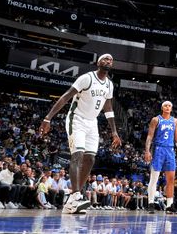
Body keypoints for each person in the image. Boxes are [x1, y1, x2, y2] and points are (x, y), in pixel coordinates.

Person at [39, 53, 122, 214]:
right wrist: (48, 118)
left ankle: (72, 200)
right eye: (105, 59)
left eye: (111, 60)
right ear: (98, 63)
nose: (109, 61)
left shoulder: (109, 85)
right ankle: (76, 195)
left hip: (92, 123)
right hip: (76, 119)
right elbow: (65, 97)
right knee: (77, 155)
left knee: (90, 159)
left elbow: (109, 108)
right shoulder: (87, 78)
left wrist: (114, 132)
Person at [145, 100, 177, 214]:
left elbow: (176, 137)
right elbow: (149, 136)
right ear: (162, 108)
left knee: (171, 179)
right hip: (158, 149)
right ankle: (151, 203)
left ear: (171, 108)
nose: (167, 107)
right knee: (154, 178)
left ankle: (169, 205)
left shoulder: (174, 121)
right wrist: (147, 151)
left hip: (170, 150)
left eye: (169, 106)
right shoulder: (156, 120)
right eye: (165, 106)